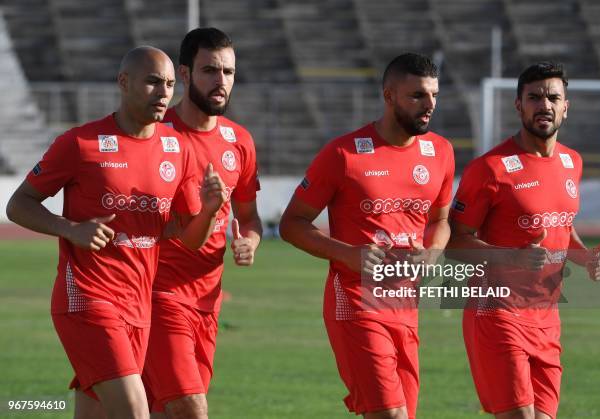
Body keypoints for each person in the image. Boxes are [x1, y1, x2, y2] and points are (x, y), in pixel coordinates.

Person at [6, 46, 226, 419]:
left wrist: (207, 211)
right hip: (88, 299)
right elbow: (18, 204)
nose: (163, 93)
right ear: (123, 83)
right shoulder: (81, 143)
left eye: (170, 84)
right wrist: (69, 229)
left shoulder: (177, 149)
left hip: (139, 307)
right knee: (135, 411)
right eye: (153, 82)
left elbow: (188, 238)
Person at [280, 53, 455, 419]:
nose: (429, 106)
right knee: (389, 413)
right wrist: (347, 254)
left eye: (434, 95)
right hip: (355, 302)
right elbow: (292, 224)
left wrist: (434, 250)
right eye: (417, 96)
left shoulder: (439, 151)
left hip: (406, 306)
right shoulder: (343, 154)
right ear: (389, 96)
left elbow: (441, 220)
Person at [449, 62, 600, 419]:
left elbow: (560, 227)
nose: (544, 105)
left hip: (547, 316)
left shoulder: (572, 162)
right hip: (497, 312)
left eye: (553, 97)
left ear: (566, 106)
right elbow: (454, 244)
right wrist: (513, 258)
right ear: (518, 105)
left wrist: (583, 258)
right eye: (534, 97)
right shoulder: (490, 169)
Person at [142, 28, 261, 419]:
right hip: (159, 295)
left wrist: (251, 242)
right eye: (210, 70)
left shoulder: (239, 141)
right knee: (191, 408)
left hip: (208, 303)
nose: (221, 81)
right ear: (186, 74)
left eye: (228, 72)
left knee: (161, 410)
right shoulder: (157, 136)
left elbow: (248, 216)